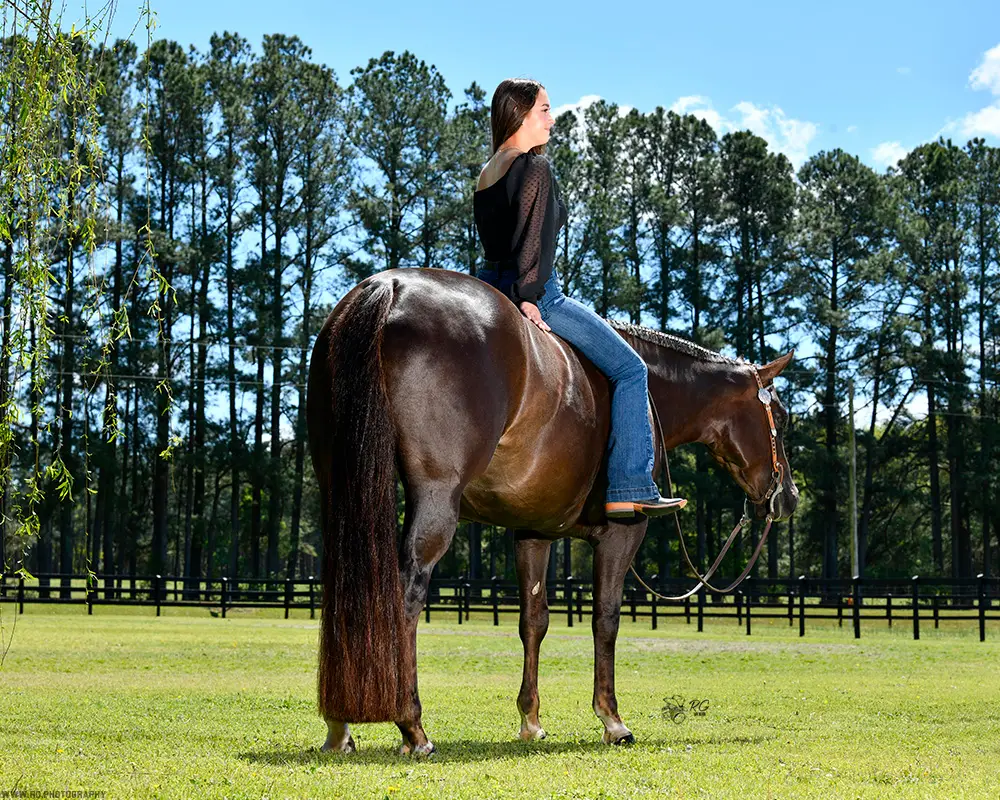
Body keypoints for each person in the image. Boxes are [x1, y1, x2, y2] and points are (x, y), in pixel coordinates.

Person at [472, 78, 686, 520]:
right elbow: (531, 241)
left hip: (487, 288)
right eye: (545, 110)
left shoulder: (487, 171)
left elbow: (501, 241)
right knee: (631, 369)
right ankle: (630, 485)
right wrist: (530, 297)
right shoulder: (535, 168)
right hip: (534, 293)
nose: (552, 119)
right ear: (521, 114)